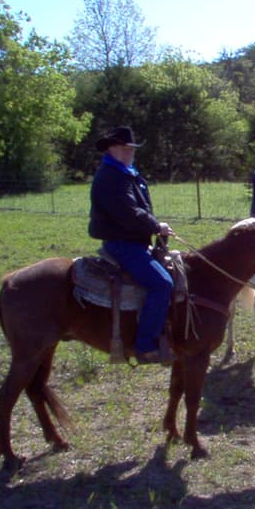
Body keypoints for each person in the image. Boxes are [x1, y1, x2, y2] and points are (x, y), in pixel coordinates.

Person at [89, 126, 175, 365]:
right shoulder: (112, 176)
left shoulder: (123, 172)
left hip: (132, 240)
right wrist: (156, 226)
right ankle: (145, 345)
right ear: (112, 148)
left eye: (131, 149)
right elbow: (128, 212)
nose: (130, 152)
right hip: (123, 243)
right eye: (125, 148)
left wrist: (152, 226)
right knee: (162, 284)